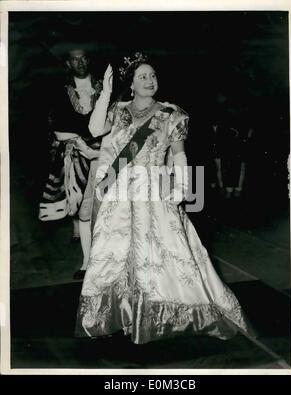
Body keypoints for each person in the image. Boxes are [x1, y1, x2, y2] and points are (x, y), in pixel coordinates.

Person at [75, 53, 251, 344]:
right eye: (142, 76)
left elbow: (180, 153)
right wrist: (105, 93)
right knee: (117, 254)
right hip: (119, 192)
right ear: (130, 84)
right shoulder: (118, 111)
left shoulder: (172, 114)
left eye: (153, 75)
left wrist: (183, 187)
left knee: (160, 253)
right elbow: (94, 129)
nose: (150, 80)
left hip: (154, 191)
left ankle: (161, 313)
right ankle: (125, 312)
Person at [39, 46, 111, 279]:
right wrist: (78, 143)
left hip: (104, 155)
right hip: (77, 155)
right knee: (83, 208)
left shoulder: (104, 87)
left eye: (83, 59)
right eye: (75, 60)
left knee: (108, 207)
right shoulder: (60, 92)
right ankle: (87, 263)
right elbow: (57, 125)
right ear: (68, 64)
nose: (80, 63)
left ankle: (109, 260)